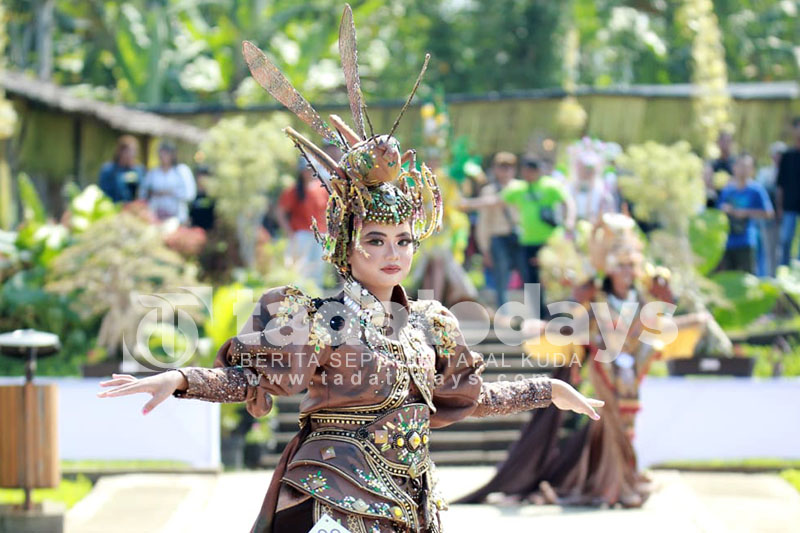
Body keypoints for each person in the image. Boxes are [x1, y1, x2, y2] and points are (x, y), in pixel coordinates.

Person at [97, 9, 604, 532]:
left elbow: (468, 398)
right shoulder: (320, 319)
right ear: (347, 249)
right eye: (376, 240)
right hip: (334, 494)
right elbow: (253, 377)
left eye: (404, 240)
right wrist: (182, 378)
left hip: (409, 497)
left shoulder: (432, 323)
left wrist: (547, 389)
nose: (394, 253)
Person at [458, 213, 707, 509]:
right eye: (622, 265)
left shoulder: (643, 299)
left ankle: (623, 479)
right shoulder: (596, 297)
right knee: (608, 425)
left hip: (631, 373)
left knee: (626, 427)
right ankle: (612, 486)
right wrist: (548, 325)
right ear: (610, 268)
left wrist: (676, 308)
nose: (628, 271)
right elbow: (574, 327)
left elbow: (655, 329)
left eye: (632, 265)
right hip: (602, 373)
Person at [466, 152, 527, 312]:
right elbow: (484, 222)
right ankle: (504, 311)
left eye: (509, 167)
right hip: (498, 237)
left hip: (520, 236)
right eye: (502, 167)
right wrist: (484, 248)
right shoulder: (489, 191)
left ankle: (533, 309)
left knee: (527, 272)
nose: (505, 171)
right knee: (501, 275)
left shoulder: (521, 188)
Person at [276, 157, 331, 287]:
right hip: (302, 235)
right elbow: (280, 212)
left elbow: (329, 211)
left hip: (321, 235)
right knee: (300, 270)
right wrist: (289, 232)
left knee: (318, 269)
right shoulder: (294, 190)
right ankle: (299, 298)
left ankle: (316, 299)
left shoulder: (322, 189)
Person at [717, 154, 774, 273]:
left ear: (752, 170)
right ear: (734, 168)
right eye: (741, 166)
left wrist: (745, 213)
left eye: (747, 167)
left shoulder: (756, 190)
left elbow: (769, 213)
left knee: (748, 278)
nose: (743, 170)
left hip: (747, 241)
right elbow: (718, 213)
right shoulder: (727, 190)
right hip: (727, 242)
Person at [138, 141, 197, 223]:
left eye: (166, 153)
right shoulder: (153, 173)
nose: (162, 156)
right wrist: (153, 193)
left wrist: (170, 192)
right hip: (155, 216)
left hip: (177, 217)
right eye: (161, 154)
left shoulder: (181, 171)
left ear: (172, 155)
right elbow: (143, 193)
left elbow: (190, 194)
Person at [755, 142, 786, 276]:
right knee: (769, 251)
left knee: (783, 249)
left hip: (784, 217)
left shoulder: (790, 173)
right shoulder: (764, 173)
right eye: (776, 154)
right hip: (768, 218)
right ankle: (770, 279)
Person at [777, 117, 800, 265]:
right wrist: (779, 207)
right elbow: (780, 184)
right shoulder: (787, 155)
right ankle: (783, 272)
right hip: (789, 206)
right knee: (785, 240)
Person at [98, 135, 144, 203]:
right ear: (120, 152)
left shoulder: (138, 170)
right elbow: (104, 191)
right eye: (129, 151)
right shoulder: (108, 170)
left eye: (134, 151)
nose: (132, 155)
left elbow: (142, 190)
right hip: (112, 208)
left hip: (131, 209)